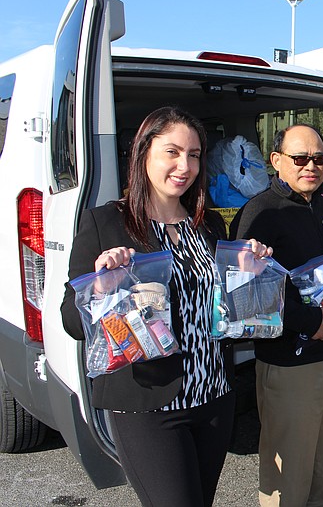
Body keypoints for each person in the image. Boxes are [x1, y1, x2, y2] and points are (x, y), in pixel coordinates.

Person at [61, 106, 271, 507]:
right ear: (143, 154)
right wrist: (103, 284)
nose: (184, 166)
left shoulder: (208, 224)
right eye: (172, 152)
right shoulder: (105, 223)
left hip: (213, 395)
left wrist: (246, 271)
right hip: (150, 403)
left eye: (193, 155)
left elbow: (226, 312)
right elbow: (72, 320)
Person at [230, 124, 323, 507]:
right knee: (289, 477)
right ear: (277, 161)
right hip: (292, 366)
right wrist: (308, 322)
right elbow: (244, 296)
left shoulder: (317, 204)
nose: (311, 166)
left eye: (319, 158)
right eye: (300, 158)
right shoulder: (260, 213)